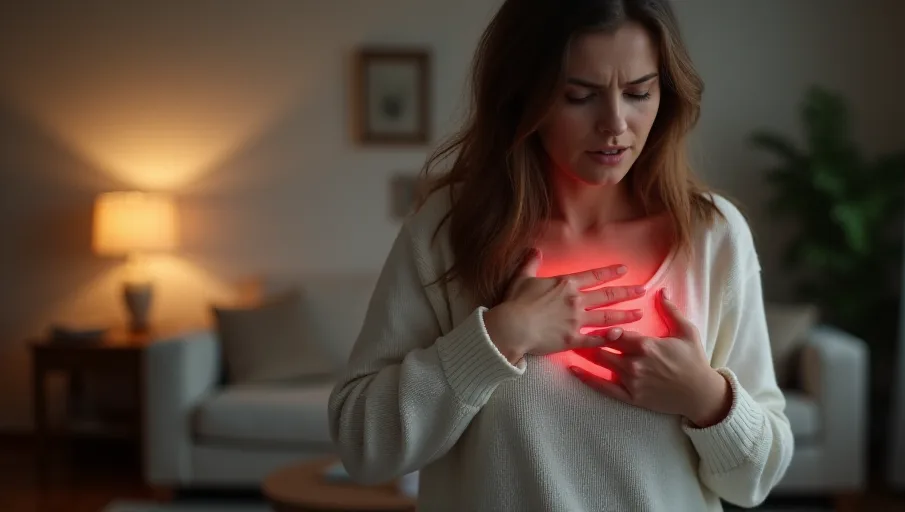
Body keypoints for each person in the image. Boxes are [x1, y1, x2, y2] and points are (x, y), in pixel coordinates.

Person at [328, 0, 794, 510]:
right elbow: (361, 445)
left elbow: (757, 480)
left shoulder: (713, 236)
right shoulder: (445, 231)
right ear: (523, 96)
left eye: (639, 92)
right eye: (579, 96)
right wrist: (500, 338)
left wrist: (705, 398)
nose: (615, 123)